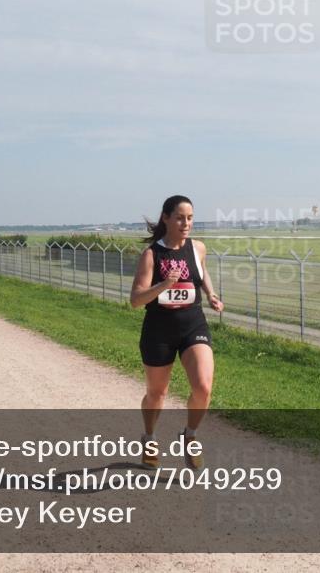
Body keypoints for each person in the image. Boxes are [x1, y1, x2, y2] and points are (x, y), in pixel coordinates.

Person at [129, 195, 223, 470]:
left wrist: (211, 294)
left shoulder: (198, 248)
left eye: (190, 217)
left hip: (193, 324)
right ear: (166, 218)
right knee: (157, 393)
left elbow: (202, 272)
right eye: (180, 217)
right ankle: (149, 436)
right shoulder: (152, 255)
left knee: (203, 386)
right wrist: (164, 285)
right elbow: (136, 300)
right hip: (159, 330)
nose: (186, 223)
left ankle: (190, 435)